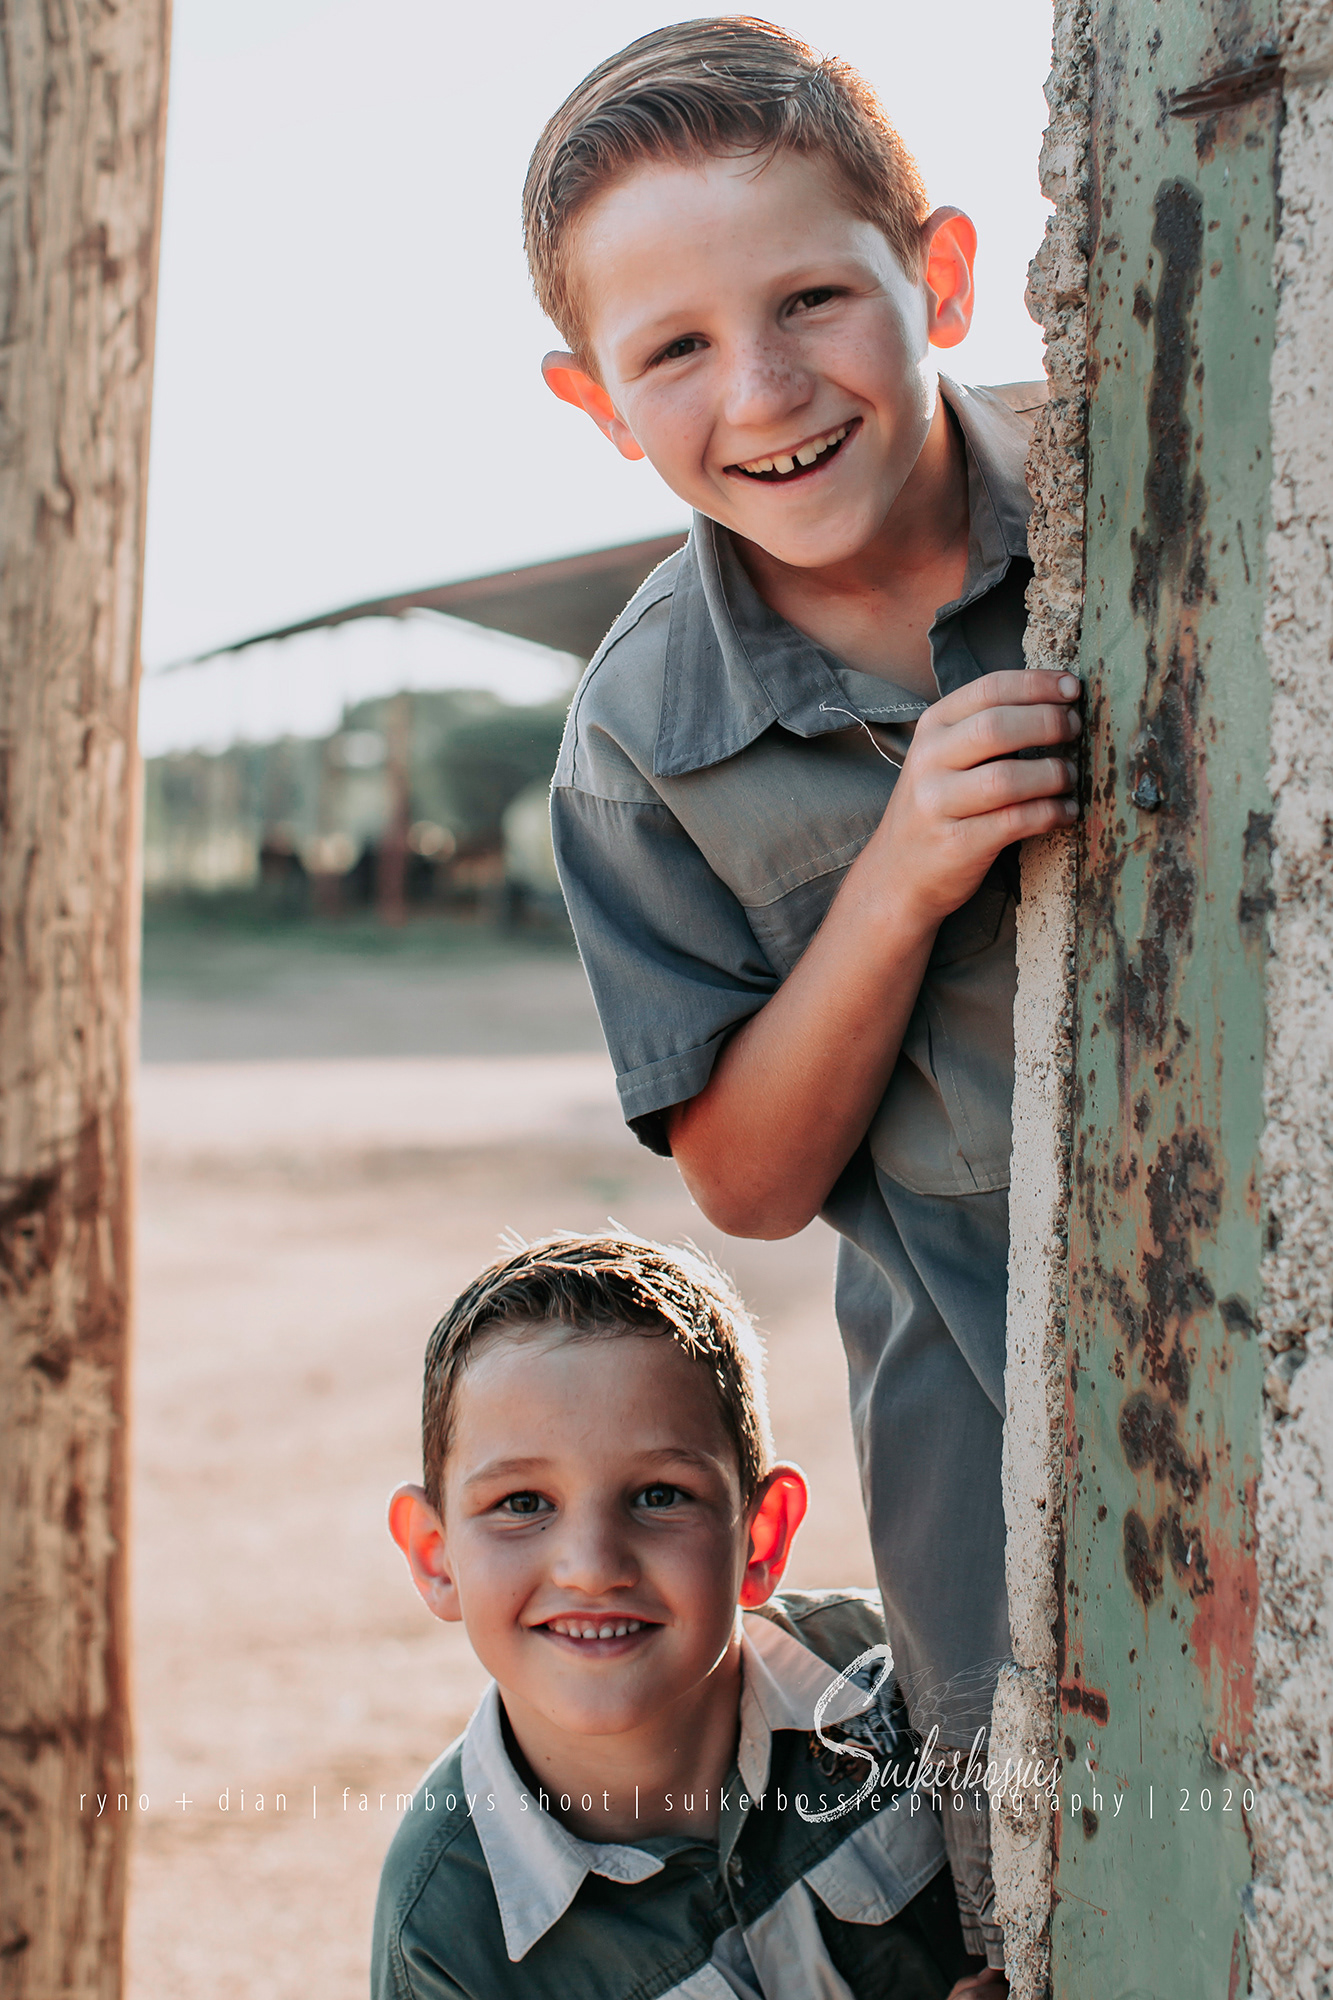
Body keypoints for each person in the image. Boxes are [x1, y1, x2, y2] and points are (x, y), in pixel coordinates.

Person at [526, 20, 1082, 1969]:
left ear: (932, 271)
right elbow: (747, 1182)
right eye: (671, 347)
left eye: (811, 302)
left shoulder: (1145, 513)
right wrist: (910, 869)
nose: (760, 389)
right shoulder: (637, 737)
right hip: (1000, 1470)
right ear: (594, 398)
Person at [372, 1232, 1005, 1999]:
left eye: (659, 1495)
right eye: (521, 1504)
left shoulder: (899, 1678)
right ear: (434, 1556)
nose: (594, 1567)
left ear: (760, 1537)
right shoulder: (446, 1934)